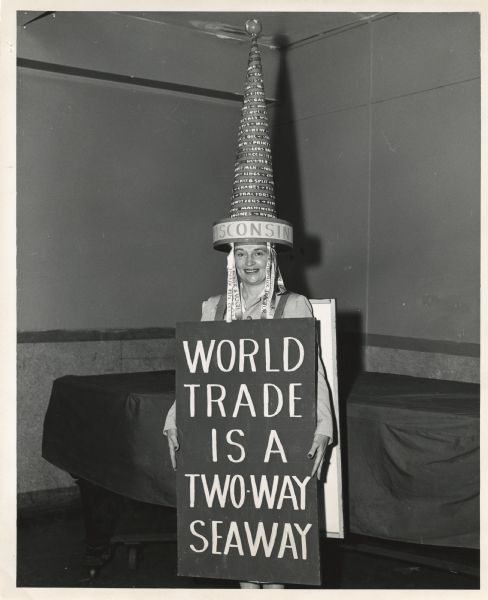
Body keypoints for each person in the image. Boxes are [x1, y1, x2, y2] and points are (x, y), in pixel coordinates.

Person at [164, 18, 334, 589]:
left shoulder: (294, 309)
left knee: (276, 545)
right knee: (237, 543)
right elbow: (199, 378)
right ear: (230, 256)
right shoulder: (214, 308)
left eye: (261, 251)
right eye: (242, 252)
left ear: (275, 255)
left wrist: (320, 424)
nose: (252, 261)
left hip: (278, 445)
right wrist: (174, 414)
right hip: (231, 448)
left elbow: (313, 374)